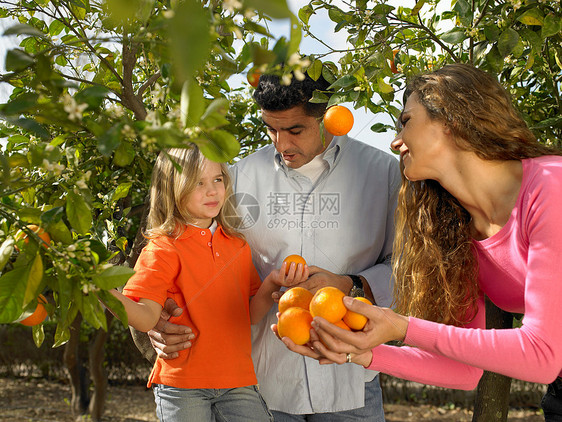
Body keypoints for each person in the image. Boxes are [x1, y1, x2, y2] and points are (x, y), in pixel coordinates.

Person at [278, 63, 562, 421]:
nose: (396, 141)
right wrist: (357, 352)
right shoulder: (456, 228)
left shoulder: (551, 187)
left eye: (406, 121)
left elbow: (542, 354)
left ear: (452, 119)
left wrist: (402, 327)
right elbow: (463, 372)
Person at [145, 69, 402, 421]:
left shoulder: (384, 174)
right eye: (271, 129)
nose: (281, 144)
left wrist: (350, 284)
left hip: (350, 375)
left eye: (294, 130)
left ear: (328, 115)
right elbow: (188, 255)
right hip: (261, 385)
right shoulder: (236, 177)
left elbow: (403, 265)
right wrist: (157, 321)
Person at [110, 146, 309, 422]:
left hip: (238, 381)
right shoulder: (162, 249)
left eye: (217, 179)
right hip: (182, 387)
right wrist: (100, 290)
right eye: (198, 183)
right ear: (173, 188)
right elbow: (144, 319)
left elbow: (248, 315)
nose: (213, 190)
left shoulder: (237, 246)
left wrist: (272, 282)